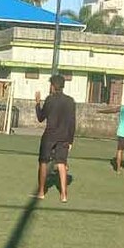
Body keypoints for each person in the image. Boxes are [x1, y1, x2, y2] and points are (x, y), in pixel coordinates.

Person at [35, 74, 75, 202]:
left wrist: (37, 103)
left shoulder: (49, 100)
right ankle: (64, 195)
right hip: (64, 137)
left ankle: (41, 192)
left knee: (43, 162)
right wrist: (70, 140)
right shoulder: (70, 101)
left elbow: (41, 118)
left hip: (49, 136)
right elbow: (72, 122)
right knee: (62, 164)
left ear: (53, 86)